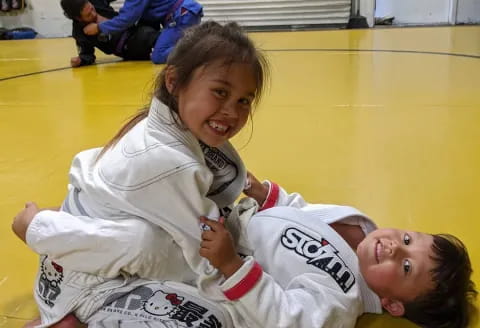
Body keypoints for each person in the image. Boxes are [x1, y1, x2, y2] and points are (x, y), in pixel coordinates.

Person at [11, 21, 268, 327]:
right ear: (173, 81)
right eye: (220, 92)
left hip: (89, 254)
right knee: (220, 315)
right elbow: (204, 258)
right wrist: (253, 291)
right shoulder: (170, 160)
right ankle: (66, 312)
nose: (232, 111)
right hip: (87, 280)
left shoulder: (170, 126)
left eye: (244, 100)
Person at [13, 173, 477, 328]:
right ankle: (79, 237)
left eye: (406, 265)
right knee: (162, 192)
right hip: (231, 221)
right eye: (410, 239)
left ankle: (41, 229)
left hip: (216, 266)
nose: (395, 247)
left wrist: (231, 265)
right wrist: (267, 192)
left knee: (144, 244)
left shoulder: (342, 298)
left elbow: (287, 318)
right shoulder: (358, 225)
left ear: (393, 305)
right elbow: (300, 211)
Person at [83, 0, 203, 64]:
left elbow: (127, 18)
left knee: (159, 55)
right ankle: (193, 44)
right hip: (185, 13)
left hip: (182, 16)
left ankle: (199, 50)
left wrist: (99, 28)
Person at [61, 0, 161, 68]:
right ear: (78, 18)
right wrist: (80, 60)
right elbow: (87, 54)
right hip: (127, 47)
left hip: (134, 28)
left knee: (153, 7)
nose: (93, 13)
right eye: (88, 15)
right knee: (146, 34)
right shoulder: (80, 32)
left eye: (92, 8)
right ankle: (169, 44)